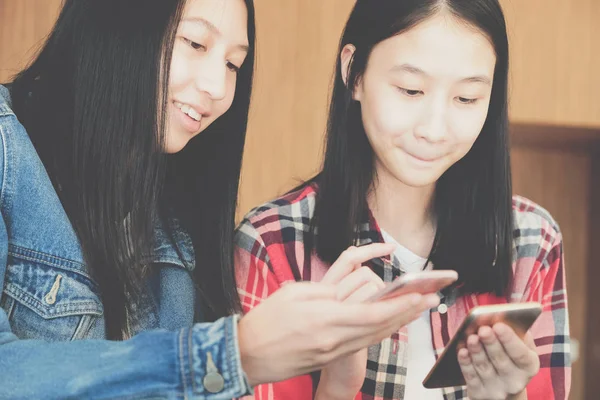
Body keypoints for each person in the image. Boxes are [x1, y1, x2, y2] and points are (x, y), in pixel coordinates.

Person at [0, 0, 438, 398]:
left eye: (233, 64)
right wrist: (233, 354)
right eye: (194, 42)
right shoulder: (8, 150)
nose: (217, 86)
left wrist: (336, 380)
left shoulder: (177, 222)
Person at [234, 0, 571, 399]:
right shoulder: (272, 244)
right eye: (411, 90)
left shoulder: (532, 241)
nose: (434, 129)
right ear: (353, 73)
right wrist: (337, 387)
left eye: (467, 98)